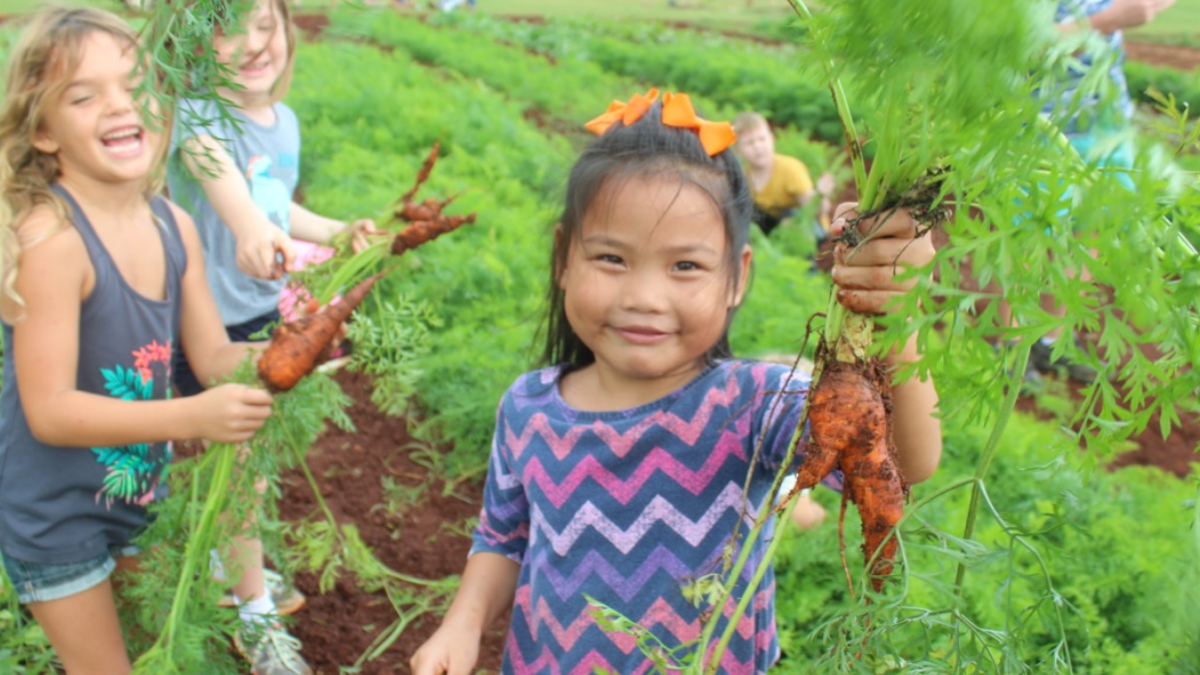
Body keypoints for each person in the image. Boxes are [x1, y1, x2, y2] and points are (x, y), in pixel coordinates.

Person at [409, 90, 942, 675]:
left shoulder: (754, 404)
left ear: (736, 278)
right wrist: (460, 624)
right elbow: (503, 538)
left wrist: (899, 324)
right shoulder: (529, 406)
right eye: (611, 258)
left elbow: (905, 463)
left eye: (685, 266)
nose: (643, 299)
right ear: (564, 257)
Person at [0, 7, 281, 674]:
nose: (120, 107)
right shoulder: (53, 241)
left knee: (161, 645)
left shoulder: (173, 224)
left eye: (134, 86)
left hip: (136, 496)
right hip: (55, 514)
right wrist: (190, 417)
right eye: (84, 95)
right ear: (43, 130)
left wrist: (290, 352)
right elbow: (50, 409)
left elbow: (212, 356)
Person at [165, 0, 376, 673]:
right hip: (198, 319)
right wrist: (252, 229)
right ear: (195, 44)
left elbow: (278, 202)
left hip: (257, 318)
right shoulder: (197, 115)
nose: (255, 44)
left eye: (266, 24)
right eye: (229, 31)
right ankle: (250, 609)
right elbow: (225, 185)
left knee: (240, 468)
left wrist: (337, 231)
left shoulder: (282, 122)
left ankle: (231, 566)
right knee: (231, 468)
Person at [1015, 0, 1175, 383]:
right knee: (1028, 239)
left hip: (1106, 121)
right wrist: (1108, 20)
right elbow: (1024, 47)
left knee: (1090, 234)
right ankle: (1011, 348)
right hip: (1042, 125)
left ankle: (1049, 341)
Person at [731, 111, 834, 240]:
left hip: (807, 231)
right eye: (749, 143)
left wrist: (821, 195)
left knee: (789, 214)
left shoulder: (789, 169)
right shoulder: (743, 178)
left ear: (772, 139)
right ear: (738, 150)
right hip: (772, 233)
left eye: (762, 139)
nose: (758, 147)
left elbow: (813, 210)